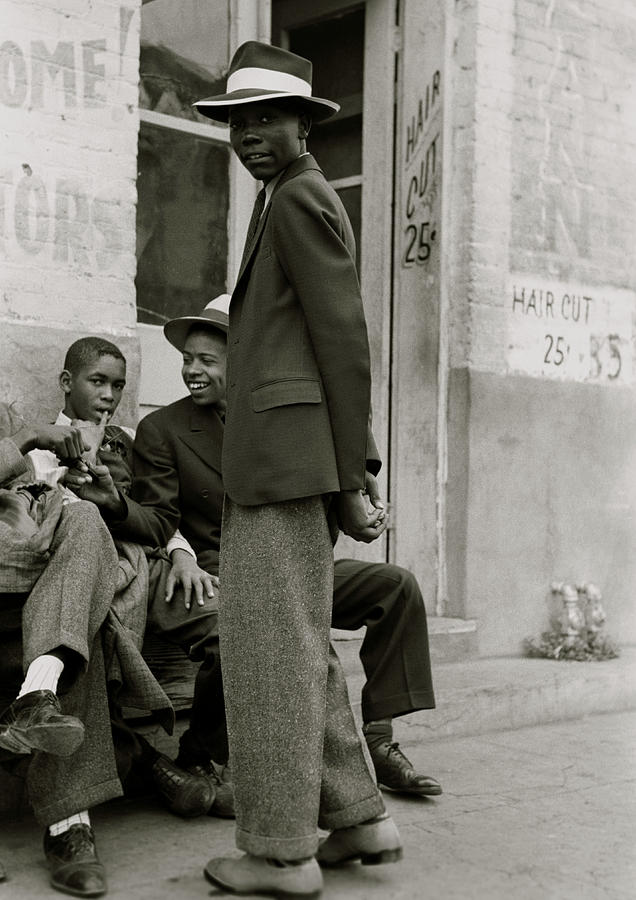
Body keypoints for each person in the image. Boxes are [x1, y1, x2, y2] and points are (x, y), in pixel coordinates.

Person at [75, 296, 442, 813]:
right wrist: (116, 504)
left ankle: (378, 740)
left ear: (244, 360)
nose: (192, 370)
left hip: (295, 568)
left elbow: (339, 401)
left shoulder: (281, 419)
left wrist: (362, 480)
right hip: (212, 575)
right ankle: (201, 754)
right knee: (238, 628)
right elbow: (159, 520)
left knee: (396, 587)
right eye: (187, 359)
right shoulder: (164, 431)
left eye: (207, 360)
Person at [194, 41, 402, 896]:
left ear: (304, 126)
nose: (250, 135)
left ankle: (280, 851)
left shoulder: (299, 201)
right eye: (240, 121)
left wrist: (357, 475)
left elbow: (344, 343)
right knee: (295, 643)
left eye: (268, 118)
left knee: (265, 653)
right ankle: (358, 820)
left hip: (286, 467)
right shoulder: (283, 196)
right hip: (279, 462)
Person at [35, 336, 228, 819]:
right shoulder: (40, 443)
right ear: (66, 383)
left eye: (117, 386)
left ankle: (204, 756)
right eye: (97, 382)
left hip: (150, 562)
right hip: (85, 570)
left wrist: (183, 554)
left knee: (230, 629)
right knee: (84, 642)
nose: (108, 395)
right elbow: (36, 510)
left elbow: (161, 509)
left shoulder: (129, 441)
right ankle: (145, 765)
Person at [0, 403, 121, 898]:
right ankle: (69, 823)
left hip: (23, 560)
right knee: (75, 617)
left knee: (86, 519)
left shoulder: (3, 412)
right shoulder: (18, 425)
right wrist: (28, 435)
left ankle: (38, 689)